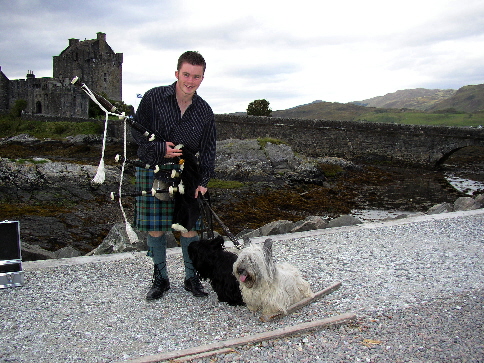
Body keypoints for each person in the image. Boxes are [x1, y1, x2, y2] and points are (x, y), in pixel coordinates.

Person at [132, 51, 216, 300]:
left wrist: (203, 181)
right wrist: (159, 148)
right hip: (153, 167)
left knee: (189, 228)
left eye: (196, 77)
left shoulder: (204, 111)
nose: (190, 81)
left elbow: (209, 149)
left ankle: (192, 278)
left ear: (202, 78)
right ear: (177, 73)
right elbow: (136, 132)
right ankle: (161, 280)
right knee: (156, 229)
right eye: (186, 74)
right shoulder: (153, 97)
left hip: (187, 172)